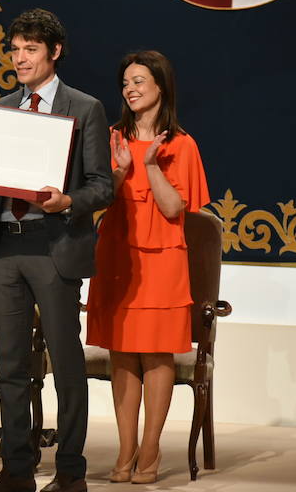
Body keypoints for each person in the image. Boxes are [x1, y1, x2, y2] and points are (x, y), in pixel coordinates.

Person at [0, 9, 113, 492]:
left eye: (30, 49)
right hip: (6, 245)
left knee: (65, 364)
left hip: (55, 246)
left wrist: (68, 200)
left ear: (54, 52)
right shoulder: (3, 108)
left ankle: (70, 471)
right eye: (14, 49)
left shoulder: (83, 107)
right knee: (10, 367)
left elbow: (101, 186)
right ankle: (16, 468)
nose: (19, 58)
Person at [86, 50, 209, 484]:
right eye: (125, 83)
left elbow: (175, 206)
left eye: (139, 80)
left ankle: (151, 449)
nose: (130, 89)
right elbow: (99, 200)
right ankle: (125, 451)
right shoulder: (112, 136)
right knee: (121, 352)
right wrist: (119, 174)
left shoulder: (182, 143)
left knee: (157, 354)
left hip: (162, 259)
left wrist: (151, 165)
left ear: (161, 87)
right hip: (118, 253)